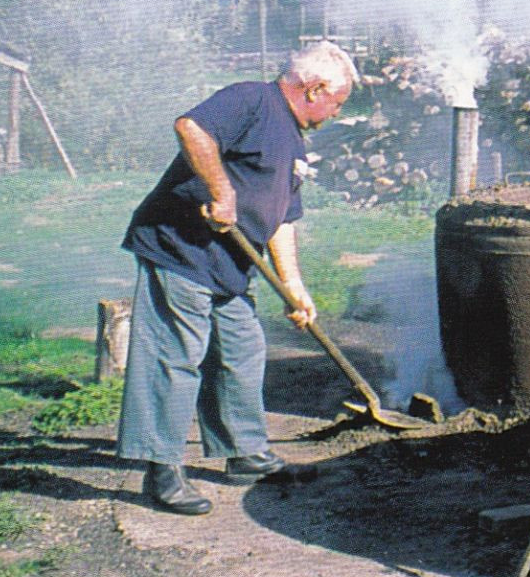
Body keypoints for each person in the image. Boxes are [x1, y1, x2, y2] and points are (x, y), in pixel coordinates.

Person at [116, 42, 356, 515]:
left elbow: (283, 219)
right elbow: (191, 127)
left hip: (229, 264)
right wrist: (221, 190)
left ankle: (244, 453)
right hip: (181, 248)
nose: (336, 112)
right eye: (338, 101)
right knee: (175, 357)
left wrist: (294, 287)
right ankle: (161, 469)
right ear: (315, 89)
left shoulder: (292, 138)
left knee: (242, 351)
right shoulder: (252, 99)